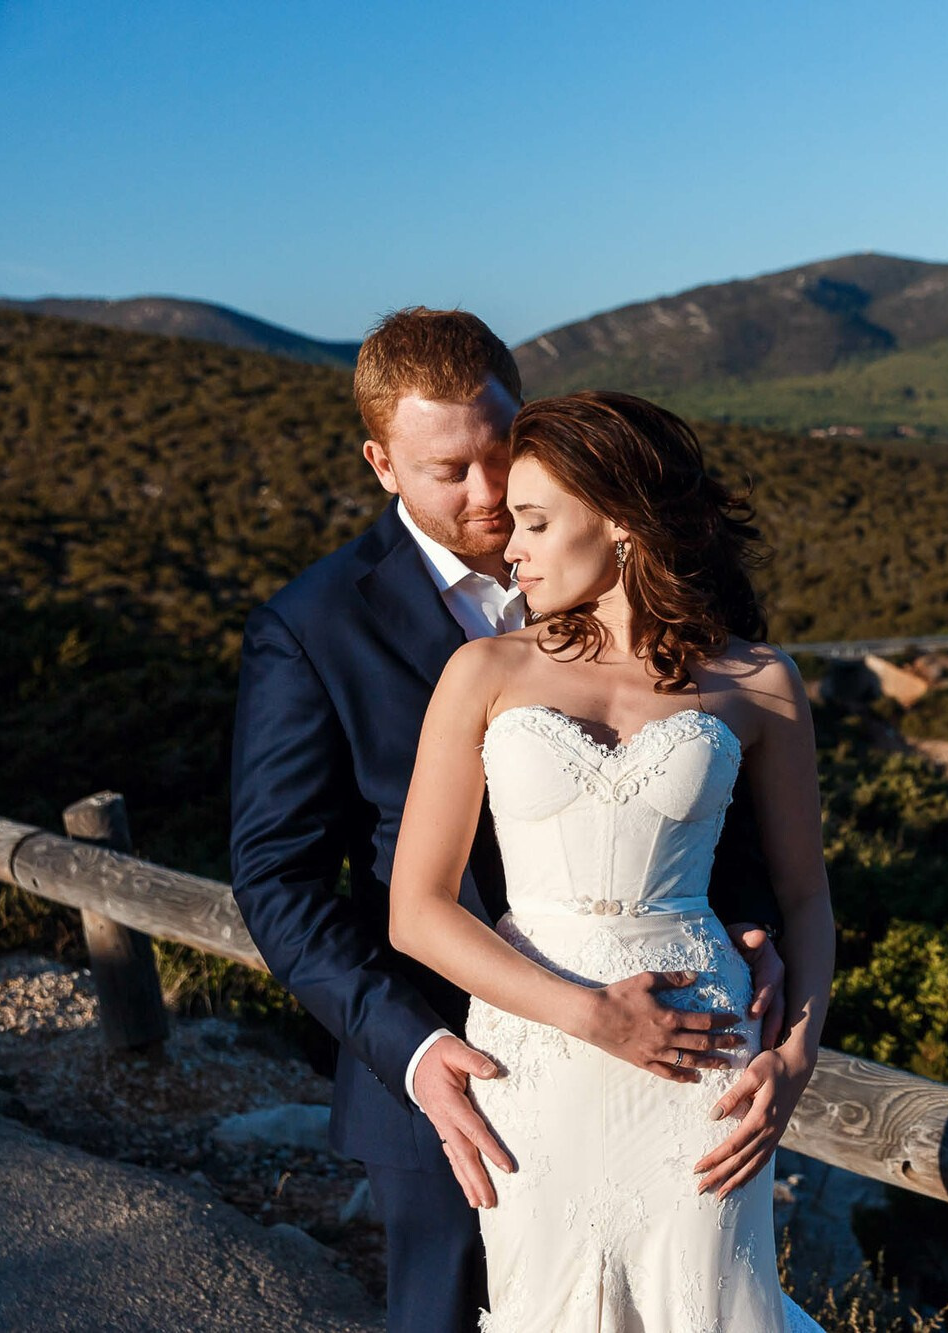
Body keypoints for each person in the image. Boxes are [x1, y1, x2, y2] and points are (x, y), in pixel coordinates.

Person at [230, 309, 797, 1333]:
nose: (489, 497)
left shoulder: (659, 598)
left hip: (676, 1040)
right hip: (454, 1065)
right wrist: (409, 1048)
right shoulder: (313, 627)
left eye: (501, 454)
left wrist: (749, 929)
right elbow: (278, 879)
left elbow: (720, 788)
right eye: (450, 470)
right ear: (381, 463)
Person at [386, 390, 832, 1330]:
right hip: (536, 1061)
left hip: (703, 1068)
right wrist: (589, 1014)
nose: (510, 548)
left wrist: (795, 1055)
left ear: (622, 523)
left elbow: (805, 898)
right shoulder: (485, 673)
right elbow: (417, 910)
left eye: (536, 523)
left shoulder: (759, 680)